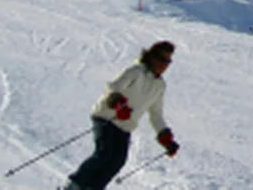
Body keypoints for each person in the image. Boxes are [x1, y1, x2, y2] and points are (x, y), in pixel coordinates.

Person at [64, 41, 180, 190]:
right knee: (105, 153)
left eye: (168, 61)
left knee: (118, 160)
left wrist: (166, 138)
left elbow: (156, 114)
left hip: (125, 126)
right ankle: (73, 185)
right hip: (107, 117)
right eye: (163, 59)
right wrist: (119, 105)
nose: (165, 65)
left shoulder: (160, 85)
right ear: (152, 57)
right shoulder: (136, 71)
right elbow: (113, 88)